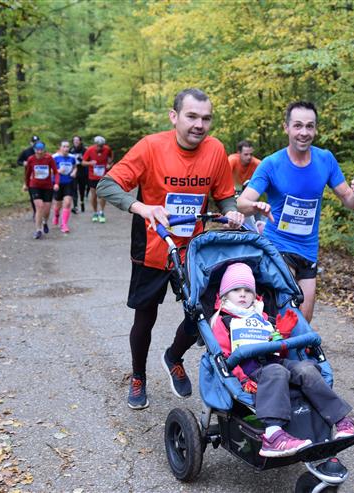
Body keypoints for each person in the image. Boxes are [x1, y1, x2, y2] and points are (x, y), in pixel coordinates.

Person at [97, 88, 245, 409]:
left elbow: (224, 195)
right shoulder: (151, 146)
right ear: (174, 116)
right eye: (191, 116)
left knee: (201, 313)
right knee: (145, 317)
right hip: (152, 246)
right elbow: (106, 185)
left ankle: (174, 357)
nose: (199, 125)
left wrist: (232, 211)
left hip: (192, 249)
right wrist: (142, 207)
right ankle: (138, 377)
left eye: (206, 118)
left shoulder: (215, 150)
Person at [237, 101, 354, 322]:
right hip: (278, 246)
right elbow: (242, 203)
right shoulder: (271, 164)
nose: (304, 132)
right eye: (297, 126)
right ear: (286, 127)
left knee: (303, 320)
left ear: (315, 129)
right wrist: (255, 206)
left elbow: (350, 202)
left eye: (309, 126)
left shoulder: (325, 160)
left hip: (308, 251)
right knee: (283, 313)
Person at [211, 263, 354, 457]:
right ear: (224, 295)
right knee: (276, 371)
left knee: (307, 368)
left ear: (254, 295)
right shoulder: (222, 321)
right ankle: (273, 435)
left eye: (248, 290)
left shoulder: (262, 317)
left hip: (274, 363)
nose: (243, 294)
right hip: (250, 371)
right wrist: (242, 379)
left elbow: (279, 351)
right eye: (236, 290)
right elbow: (223, 356)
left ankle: (340, 419)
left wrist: (282, 335)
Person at [23, 141, 59, 239]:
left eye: (41, 150)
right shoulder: (31, 159)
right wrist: (26, 184)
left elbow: (56, 172)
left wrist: (56, 183)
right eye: (37, 150)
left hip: (48, 187)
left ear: (44, 149)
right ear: (34, 150)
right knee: (39, 207)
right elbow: (27, 173)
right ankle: (38, 230)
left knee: (47, 210)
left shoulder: (49, 158)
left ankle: (45, 222)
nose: (39, 152)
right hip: (35, 186)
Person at [83, 136, 113, 223]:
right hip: (93, 176)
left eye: (102, 146)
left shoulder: (107, 149)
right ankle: (95, 212)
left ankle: (101, 212)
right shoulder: (89, 150)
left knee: (103, 195)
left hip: (104, 176)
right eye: (98, 146)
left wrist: (109, 164)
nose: (100, 147)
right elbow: (83, 162)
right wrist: (90, 163)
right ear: (95, 144)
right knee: (94, 195)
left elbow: (111, 158)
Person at [51, 141, 78, 233]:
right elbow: (49, 170)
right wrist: (58, 171)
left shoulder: (72, 157)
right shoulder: (54, 157)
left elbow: (75, 167)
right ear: (60, 147)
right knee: (57, 205)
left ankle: (64, 224)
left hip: (69, 182)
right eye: (64, 146)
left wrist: (74, 172)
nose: (66, 148)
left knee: (67, 203)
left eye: (67, 147)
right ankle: (56, 215)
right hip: (57, 183)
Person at [17, 135, 40, 218]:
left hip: (41, 175)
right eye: (34, 142)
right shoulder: (26, 152)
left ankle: (41, 211)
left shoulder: (42, 151)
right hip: (30, 176)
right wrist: (24, 163)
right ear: (31, 143)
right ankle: (36, 212)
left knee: (41, 195)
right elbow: (18, 161)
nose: (35, 144)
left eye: (37, 142)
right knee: (33, 195)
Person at [69, 136, 88, 213]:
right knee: (74, 189)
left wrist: (80, 159)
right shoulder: (71, 149)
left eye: (77, 140)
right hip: (74, 171)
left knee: (82, 189)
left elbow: (87, 160)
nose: (76, 141)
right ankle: (75, 206)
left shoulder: (84, 149)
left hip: (82, 171)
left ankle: (82, 202)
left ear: (80, 141)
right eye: (74, 140)